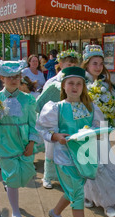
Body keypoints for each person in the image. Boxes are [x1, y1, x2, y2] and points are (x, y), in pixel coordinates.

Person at [36, 66, 103, 217]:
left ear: (83, 87)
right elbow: (42, 128)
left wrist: (96, 133)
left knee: (74, 189)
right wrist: (56, 136)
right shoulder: (56, 108)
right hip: (64, 157)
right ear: (63, 86)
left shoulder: (90, 107)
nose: (75, 87)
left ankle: (55, 212)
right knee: (78, 194)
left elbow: (98, 127)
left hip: (84, 156)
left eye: (79, 84)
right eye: (71, 83)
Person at [0, 58, 41, 217]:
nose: (13, 80)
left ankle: (9, 185)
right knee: (13, 177)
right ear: (2, 79)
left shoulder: (29, 100)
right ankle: (16, 211)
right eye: (9, 76)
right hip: (5, 141)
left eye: (16, 76)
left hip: (24, 141)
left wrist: (32, 143)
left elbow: (35, 123)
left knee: (25, 174)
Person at [81, 45, 115, 217]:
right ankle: (107, 204)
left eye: (101, 63)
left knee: (106, 164)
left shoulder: (105, 85)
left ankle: (93, 197)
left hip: (103, 130)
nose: (98, 67)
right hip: (86, 131)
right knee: (94, 166)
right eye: (94, 63)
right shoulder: (81, 83)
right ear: (86, 64)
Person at [37, 49, 81, 190]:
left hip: (69, 120)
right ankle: (47, 176)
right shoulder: (52, 81)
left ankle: (65, 177)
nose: (70, 67)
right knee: (50, 150)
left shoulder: (78, 81)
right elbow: (43, 102)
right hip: (53, 121)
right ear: (61, 64)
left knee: (67, 150)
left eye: (73, 64)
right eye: (68, 64)